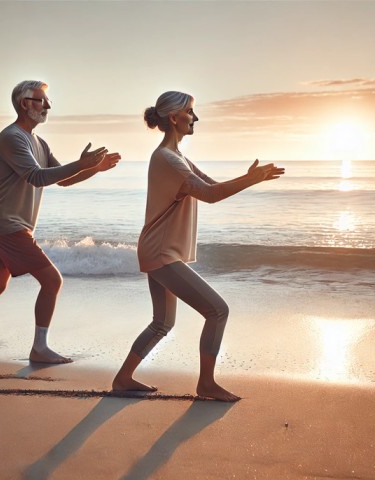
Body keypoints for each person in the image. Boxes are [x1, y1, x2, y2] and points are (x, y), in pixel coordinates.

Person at [112, 91, 284, 401]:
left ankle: (124, 378)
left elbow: (212, 186)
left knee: (163, 322)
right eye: (191, 112)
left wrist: (248, 177)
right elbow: (211, 195)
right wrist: (252, 179)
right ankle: (206, 383)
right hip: (161, 251)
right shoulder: (167, 159)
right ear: (174, 117)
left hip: (159, 249)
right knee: (217, 310)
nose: (196, 118)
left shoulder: (175, 157)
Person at [0, 80, 121, 363]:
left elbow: (62, 180)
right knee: (52, 280)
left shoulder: (39, 142)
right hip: (7, 222)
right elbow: (36, 177)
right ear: (25, 103)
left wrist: (94, 169)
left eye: (47, 101)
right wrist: (82, 163)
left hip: (10, 222)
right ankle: (39, 348)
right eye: (41, 100)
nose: (47, 106)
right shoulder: (11, 137)